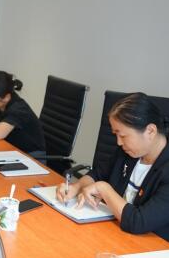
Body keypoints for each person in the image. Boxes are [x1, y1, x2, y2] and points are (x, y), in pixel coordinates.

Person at [57, 93, 169, 241]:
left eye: (123, 136)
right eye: (116, 135)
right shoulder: (128, 152)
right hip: (116, 233)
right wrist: (77, 187)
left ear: (150, 131)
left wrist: (104, 189)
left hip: (151, 244)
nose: (118, 142)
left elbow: (139, 221)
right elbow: (97, 174)